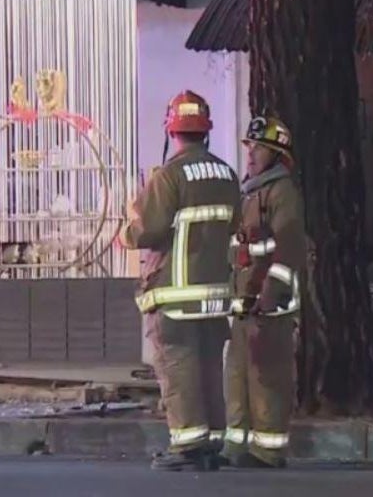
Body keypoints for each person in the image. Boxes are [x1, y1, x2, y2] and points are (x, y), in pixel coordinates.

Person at [120, 90, 241, 471]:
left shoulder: (169, 176)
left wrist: (128, 229)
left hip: (175, 294)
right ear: (205, 131)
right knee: (208, 367)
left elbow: (149, 231)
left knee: (178, 366)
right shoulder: (226, 174)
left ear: (171, 131)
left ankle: (187, 445)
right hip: (215, 295)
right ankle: (211, 442)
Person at [224, 115, 306, 468]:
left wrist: (272, 292)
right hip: (245, 300)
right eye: (251, 146)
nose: (252, 152)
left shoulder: (282, 192)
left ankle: (268, 449)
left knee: (267, 375)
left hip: (268, 303)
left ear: (277, 155)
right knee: (239, 373)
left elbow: (288, 247)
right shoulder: (250, 191)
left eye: (259, 147)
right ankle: (237, 446)